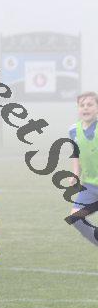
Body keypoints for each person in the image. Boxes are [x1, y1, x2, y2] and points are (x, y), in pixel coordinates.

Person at [68, 92, 98, 245]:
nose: (85, 108)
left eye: (90, 104)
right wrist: (75, 173)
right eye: (82, 105)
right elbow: (76, 153)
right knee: (75, 217)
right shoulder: (73, 130)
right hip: (90, 187)